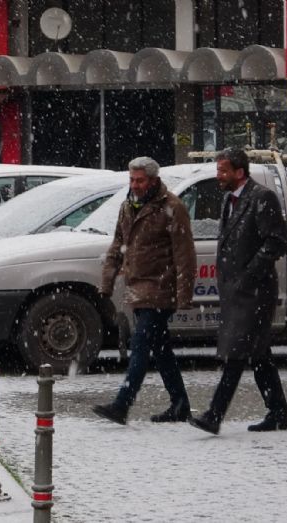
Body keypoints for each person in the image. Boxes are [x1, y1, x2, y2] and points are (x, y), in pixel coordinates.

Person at [188, 147, 287, 435]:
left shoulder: (261, 198)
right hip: (237, 291)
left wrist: (248, 275)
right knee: (258, 354)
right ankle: (278, 411)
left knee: (236, 353)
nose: (218, 175)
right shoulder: (229, 199)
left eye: (223, 170)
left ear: (239, 172)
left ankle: (214, 414)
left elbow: (276, 242)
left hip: (255, 292)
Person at [91, 156, 196, 425]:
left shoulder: (172, 207)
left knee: (140, 345)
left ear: (152, 180)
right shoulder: (128, 206)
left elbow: (184, 254)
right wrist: (107, 282)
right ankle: (180, 404)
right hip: (138, 288)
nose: (135, 185)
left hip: (160, 289)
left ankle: (122, 404)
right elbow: (117, 246)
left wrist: (184, 294)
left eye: (140, 180)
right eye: (131, 180)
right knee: (161, 350)